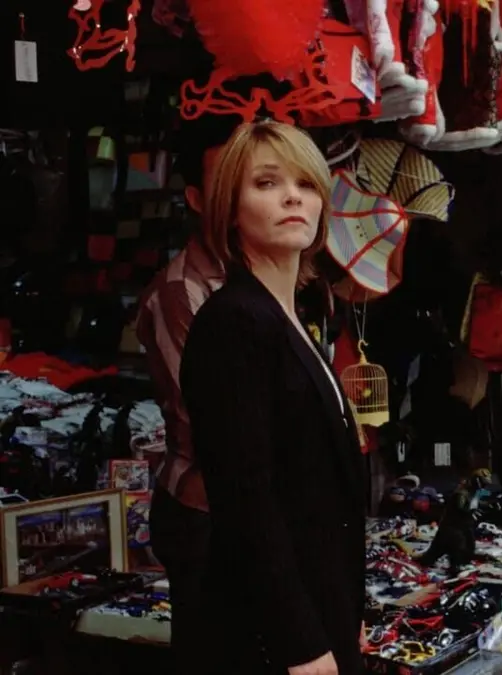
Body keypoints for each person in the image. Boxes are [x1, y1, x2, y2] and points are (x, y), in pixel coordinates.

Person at [179, 121, 365, 675]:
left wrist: (346, 606)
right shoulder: (235, 322)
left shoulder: (290, 317)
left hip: (321, 603)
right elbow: (246, 499)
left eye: (306, 184)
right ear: (229, 209)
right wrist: (298, 640)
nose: (292, 197)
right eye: (266, 183)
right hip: (274, 636)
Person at [136, 118, 233, 675]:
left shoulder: (257, 279)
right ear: (196, 198)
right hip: (205, 513)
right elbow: (217, 424)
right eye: (226, 181)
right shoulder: (182, 292)